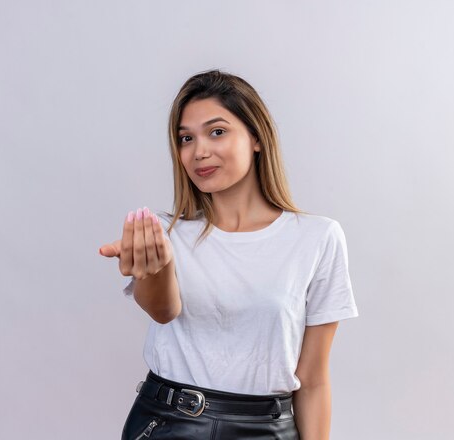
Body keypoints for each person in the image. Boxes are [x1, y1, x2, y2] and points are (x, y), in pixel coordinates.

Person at [99, 69, 359, 440]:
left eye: (216, 131)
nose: (199, 151)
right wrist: (157, 267)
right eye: (186, 138)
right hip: (169, 425)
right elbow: (162, 310)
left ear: (255, 136)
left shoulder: (317, 238)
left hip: (266, 431)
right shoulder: (164, 232)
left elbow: (314, 380)